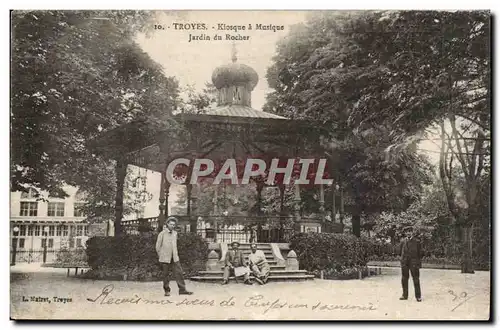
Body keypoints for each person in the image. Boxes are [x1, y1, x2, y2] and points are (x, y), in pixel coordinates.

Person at [156, 217, 193, 296]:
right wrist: (161, 256)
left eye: (174, 224)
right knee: (166, 274)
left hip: (174, 257)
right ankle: (167, 290)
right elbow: (157, 247)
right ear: (167, 224)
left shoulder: (175, 233)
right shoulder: (162, 234)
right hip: (165, 258)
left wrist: (176, 255)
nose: (172, 226)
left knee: (179, 273)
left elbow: (175, 245)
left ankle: (182, 290)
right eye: (171, 224)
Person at [399, 227, 423, 302]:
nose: (408, 233)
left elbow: (420, 254)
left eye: (410, 231)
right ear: (405, 233)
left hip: (414, 263)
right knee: (404, 279)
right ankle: (404, 295)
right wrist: (402, 261)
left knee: (416, 279)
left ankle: (418, 296)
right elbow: (400, 252)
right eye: (407, 232)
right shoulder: (403, 241)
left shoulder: (417, 242)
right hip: (405, 263)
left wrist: (418, 263)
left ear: (412, 232)